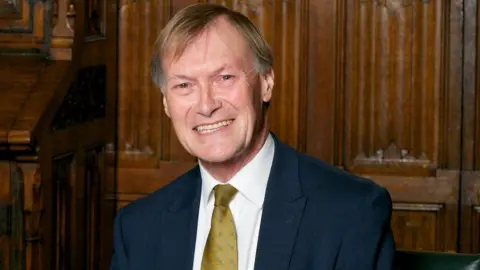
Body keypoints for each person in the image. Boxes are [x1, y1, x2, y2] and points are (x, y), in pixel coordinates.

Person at [109, 3, 395, 270]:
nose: (207, 105)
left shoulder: (352, 212)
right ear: (166, 103)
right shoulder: (137, 229)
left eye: (225, 78)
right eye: (184, 85)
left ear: (266, 82)